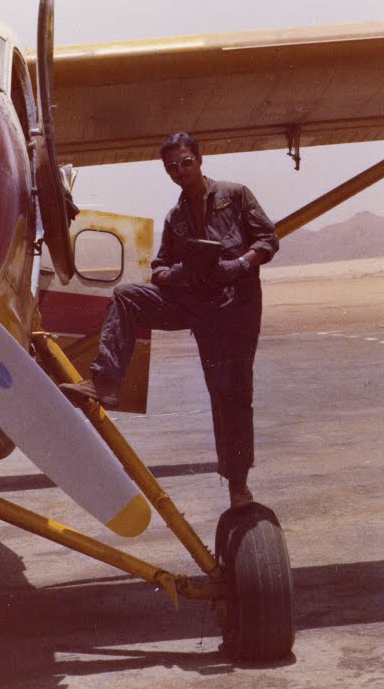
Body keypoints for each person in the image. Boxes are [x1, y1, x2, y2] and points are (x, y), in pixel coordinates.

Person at [60, 132, 280, 508]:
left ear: (200, 159)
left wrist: (238, 265)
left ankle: (238, 484)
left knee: (231, 394)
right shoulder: (175, 218)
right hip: (196, 304)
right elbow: (159, 267)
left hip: (235, 311)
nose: (180, 171)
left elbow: (267, 240)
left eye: (186, 162)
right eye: (172, 167)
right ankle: (106, 382)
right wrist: (177, 274)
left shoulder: (235, 195)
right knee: (128, 296)